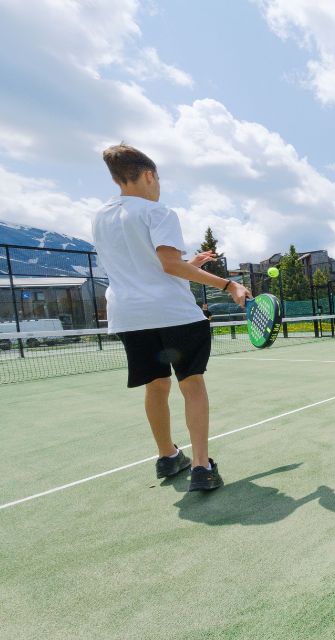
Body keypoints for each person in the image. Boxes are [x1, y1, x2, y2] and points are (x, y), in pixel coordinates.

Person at [92, 144, 251, 491]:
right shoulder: (158, 212)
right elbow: (168, 265)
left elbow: (145, 267)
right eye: (158, 179)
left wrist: (188, 266)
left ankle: (167, 457)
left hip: (129, 316)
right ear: (149, 175)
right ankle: (201, 466)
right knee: (191, 384)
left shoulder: (100, 218)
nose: (159, 185)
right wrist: (229, 285)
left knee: (156, 385)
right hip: (172, 314)